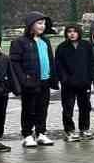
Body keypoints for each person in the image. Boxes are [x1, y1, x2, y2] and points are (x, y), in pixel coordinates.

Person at [8, 12, 57, 148]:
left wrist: (53, 77)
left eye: (44, 24)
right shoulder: (19, 42)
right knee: (29, 109)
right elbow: (15, 63)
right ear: (31, 25)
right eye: (39, 23)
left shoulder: (45, 41)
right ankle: (27, 135)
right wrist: (24, 79)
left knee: (43, 108)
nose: (43, 26)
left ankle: (41, 133)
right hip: (29, 83)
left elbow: (50, 60)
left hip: (44, 81)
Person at [54, 23, 94, 142]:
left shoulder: (86, 45)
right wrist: (64, 79)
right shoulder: (61, 47)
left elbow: (91, 63)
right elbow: (58, 66)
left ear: (79, 33)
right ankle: (69, 131)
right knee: (68, 107)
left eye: (74, 31)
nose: (72, 34)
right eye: (69, 31)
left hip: (84, 82)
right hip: (68, 85)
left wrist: (89, 78)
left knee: (85, 107)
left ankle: (84, 129)